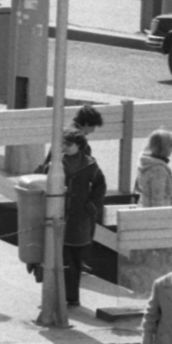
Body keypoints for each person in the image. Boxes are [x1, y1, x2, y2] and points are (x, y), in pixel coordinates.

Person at [123, 130, 172, 298]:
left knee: (147, 257)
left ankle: (147, 289)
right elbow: (158, 199)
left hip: (143, 216)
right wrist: (161, 226)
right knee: (164, 257)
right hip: (156, 221)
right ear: (164, 148)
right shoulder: (159, 170)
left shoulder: (145, 164)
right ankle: (161, 292)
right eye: (171, 145)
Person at [58, 128, 106, 309]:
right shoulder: (56, 162)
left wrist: (92, 207)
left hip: (79, 221)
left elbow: (100, 187)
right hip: (59, 218)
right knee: (60, 258)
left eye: (68, 144)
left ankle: (72, 298)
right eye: (62, 144)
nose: (64, 147)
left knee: (75, 259)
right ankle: (60, 296)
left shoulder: (90, 166)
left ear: (79, 145)